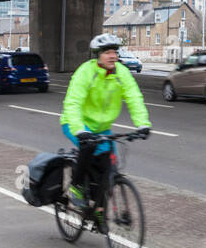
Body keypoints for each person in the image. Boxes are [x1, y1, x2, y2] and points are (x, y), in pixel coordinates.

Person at [61, 33, 150, 211]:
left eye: (115, 52)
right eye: (107, 52)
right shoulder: (86, 72)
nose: (112, 56)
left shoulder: (121, 73)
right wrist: (79, 130)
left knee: (109, 170)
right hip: (76, 123)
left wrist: (143, 124)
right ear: (97, 55)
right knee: (88, 147)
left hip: (102, 128)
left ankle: (100, 213)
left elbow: (134, 97)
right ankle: (76, 188)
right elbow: (73, 102)